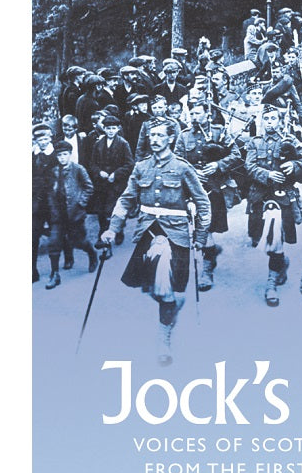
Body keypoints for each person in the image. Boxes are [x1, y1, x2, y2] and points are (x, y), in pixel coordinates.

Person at [100, 117, 211, 366]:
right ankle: (169, 307)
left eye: (161, 135)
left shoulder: (182, 168)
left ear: (171, 138)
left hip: (176, 235)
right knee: (152, 288)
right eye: (152, 135)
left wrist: (201, 237)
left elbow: (203, 202)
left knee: (168, 290)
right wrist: (112, 228)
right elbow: (126, 199)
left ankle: (164, 337)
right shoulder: (141, 167)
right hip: (147, 233)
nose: (155, 139)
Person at [245, 103, 302, 307]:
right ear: (261, 121)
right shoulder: (254, 142)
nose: (270, 122)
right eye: (266, 119)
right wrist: (266, 174)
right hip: (260, 197)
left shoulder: (289, 140)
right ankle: (281, 262)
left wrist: (294, 165)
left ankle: (271, 283)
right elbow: (249, 165)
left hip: (283, 198)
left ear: (280, 120)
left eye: (274, 118)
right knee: (257, 238)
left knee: (276, 241)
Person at [174, 99, 242, 291]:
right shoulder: (184, 136)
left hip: (213, 187)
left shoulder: (219, 132)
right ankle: (204, 259)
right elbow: (177, 159)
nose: (195, 117)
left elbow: (236, 154)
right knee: (192, 228)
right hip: (190, 188)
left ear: (207, 114)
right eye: (192, 114)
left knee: (207, 229)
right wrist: (191, 172)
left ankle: (207, 269)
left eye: (198, 113)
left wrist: (217, 165)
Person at [44, 140, 98, 288]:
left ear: (70, 155)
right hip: (58, 215)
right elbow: (50, 191)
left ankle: (92, 253)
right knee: (53, 243)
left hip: (75, 213)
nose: (62, 158)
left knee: (78, 241)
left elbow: (89, 187)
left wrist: (81, 203)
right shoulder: (54, 171)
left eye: (65, 155)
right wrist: (51, 207)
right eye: (59, 155)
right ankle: (54, 274)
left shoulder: (78, 169)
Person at [87, 114, 134, 243]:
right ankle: (102, 233)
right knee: (101, 211)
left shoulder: (123, 144)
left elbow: (129, 164)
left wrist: (116, 174)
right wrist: (99, 172)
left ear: (118, 129)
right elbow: (92, 163)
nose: (111, 131)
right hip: (102, 184)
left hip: (117, 184)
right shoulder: (98, 144)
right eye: (108, 128)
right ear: (104, 129)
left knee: (115, 209)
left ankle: (119, 231)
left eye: (113, 128)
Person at [32, 122, 57, 283]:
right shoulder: (31, 156)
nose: (43, 141)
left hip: (52, 202)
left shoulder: (56, 155)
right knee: (33, 236)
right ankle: (32, 271)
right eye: (39, 139)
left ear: (50, 138)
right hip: (35, 204)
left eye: (46, 138)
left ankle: (55, 271)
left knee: (55, 237)